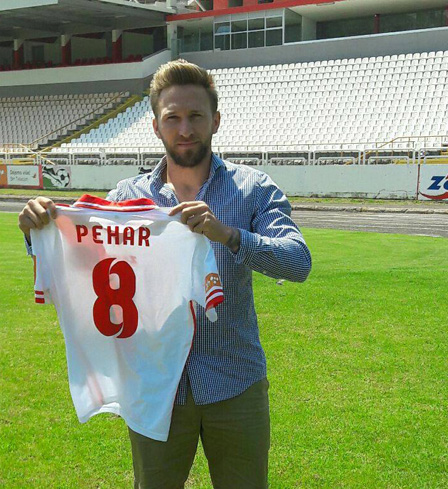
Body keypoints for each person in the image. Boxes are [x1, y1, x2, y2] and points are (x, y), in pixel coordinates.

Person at [18, 59, 311, 488]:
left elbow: (298, 262)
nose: (185, 129)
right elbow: (88, 264)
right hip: (156, 387)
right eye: (172, 118)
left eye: (196, 116)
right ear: (156, 126)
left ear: (215, 121)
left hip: (235, 380)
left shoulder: (252, 189)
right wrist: (40, 233)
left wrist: (230, 235)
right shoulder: (127, 197)